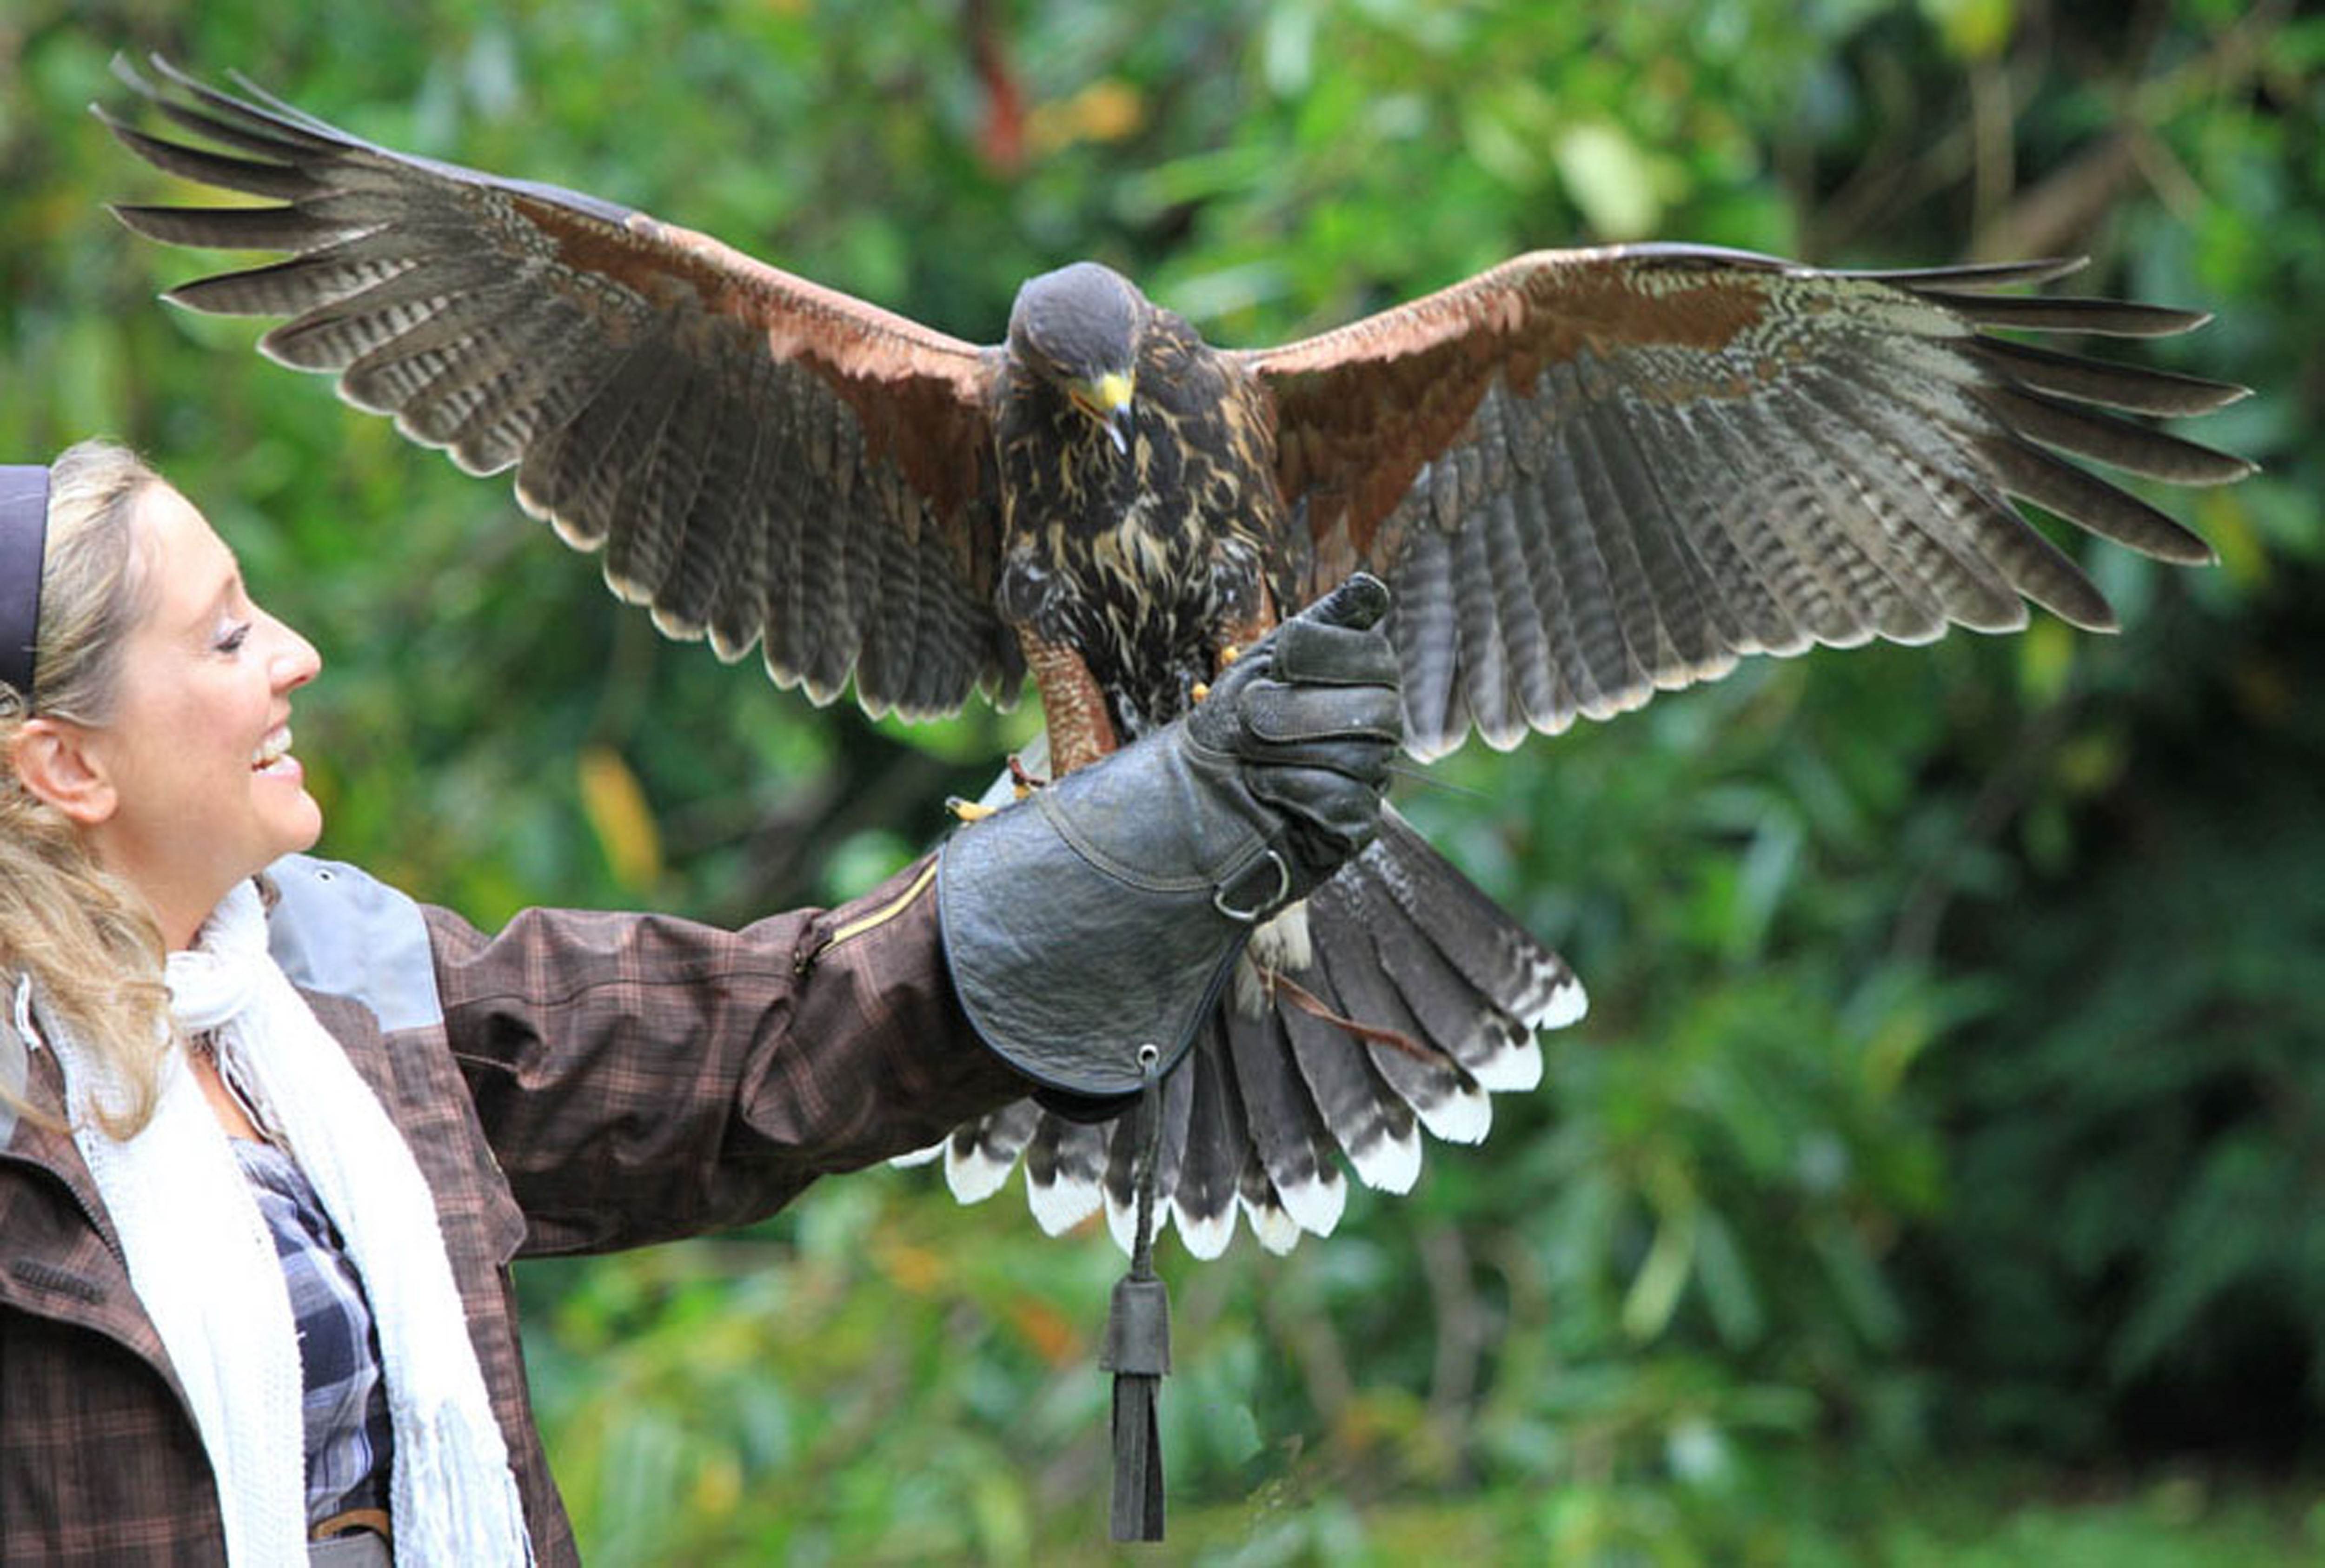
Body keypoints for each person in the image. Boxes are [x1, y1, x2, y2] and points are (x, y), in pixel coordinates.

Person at [0, 440, 1402, 1566]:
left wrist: (1141, 849)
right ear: (68, 766)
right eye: (226, 638)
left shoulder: (338, 982)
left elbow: (753, 1049)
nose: (295, 653)